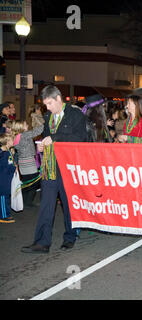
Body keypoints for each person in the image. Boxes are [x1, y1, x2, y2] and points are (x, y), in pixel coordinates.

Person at [21, 85, 88, 254]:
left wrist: (55, 138)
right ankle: (42, 242)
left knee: (68, 204)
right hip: (50, 166)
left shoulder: (75, 115)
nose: (48, 108)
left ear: (59, 99)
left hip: (68, 167)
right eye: (46, 105)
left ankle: (70, 237)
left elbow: (80, 138)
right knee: (46, 205)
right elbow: (46, 138)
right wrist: (42, 146)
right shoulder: (47, 116)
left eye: (50, 103)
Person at [10, 120, 43, 207]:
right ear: (21, 127)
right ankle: (28, 202)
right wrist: (45, 123)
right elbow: (36, 132)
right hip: (29, 162)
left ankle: (24, 200)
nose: (27, 125)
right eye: (25, 124)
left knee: (26, 181)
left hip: (22, 162)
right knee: (34, 182)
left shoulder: (17, 136)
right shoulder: (24, 135)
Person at [0, 133, 16, 223]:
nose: (14, 141)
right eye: (12, 140)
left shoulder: (8, 152)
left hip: (7, 179)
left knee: (6, 197)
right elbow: (6, 167)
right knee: (3, 198)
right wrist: (13, 168)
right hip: (3, 180)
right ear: (7, 142)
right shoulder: (3, 154)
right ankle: (3, 215)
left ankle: (6, 212)